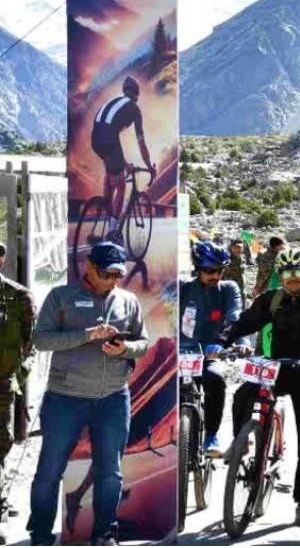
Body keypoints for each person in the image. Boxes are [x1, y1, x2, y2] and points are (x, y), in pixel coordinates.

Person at [28, 242, 148, 546]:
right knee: (49, 470)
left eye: (118, 275)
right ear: (90, 267)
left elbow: (143, 342)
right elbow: (41, 340)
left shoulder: (128, 301)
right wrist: (87, 335)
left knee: (110, 471)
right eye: (107, 274)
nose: (113, 281)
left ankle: (105, 534)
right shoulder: (61, 296)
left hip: (113, 398)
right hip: (65, 398)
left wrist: (126, 349)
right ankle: (40, 535)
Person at [220, 247, 300, 527]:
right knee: (243, 392)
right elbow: (244, 323)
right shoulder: (271, 299)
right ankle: (241, 444)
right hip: (279, 368)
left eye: (298, 272)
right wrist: (221, 341)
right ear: (279, 275)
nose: (292, 277)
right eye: (286, 272)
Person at [180, 241, 244, 456]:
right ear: (198, 269)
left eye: (219, 271)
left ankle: (211, 436)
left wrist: (229, 342)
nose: (215, 275)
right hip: (182, 352)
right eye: (209, 271)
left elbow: (234, 316)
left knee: (215, 378)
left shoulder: (228, 289)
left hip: (212, 350)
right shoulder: (183, 287)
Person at [90, 77, 155, 232]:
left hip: (95, 139)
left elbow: (112, 142)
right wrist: (149, 166)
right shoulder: (135, 110)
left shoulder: (114, 101)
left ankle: (106, 205)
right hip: (109, 140)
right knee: (120, 185)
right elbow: (141, 143)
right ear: (136, 95)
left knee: (111, 169)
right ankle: (112, 230)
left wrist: (124, 163)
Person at [0, 242, 33, 540]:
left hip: (3, 382)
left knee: (2, 442)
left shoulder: (19, 297)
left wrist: (19, 375)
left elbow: (30, 344)